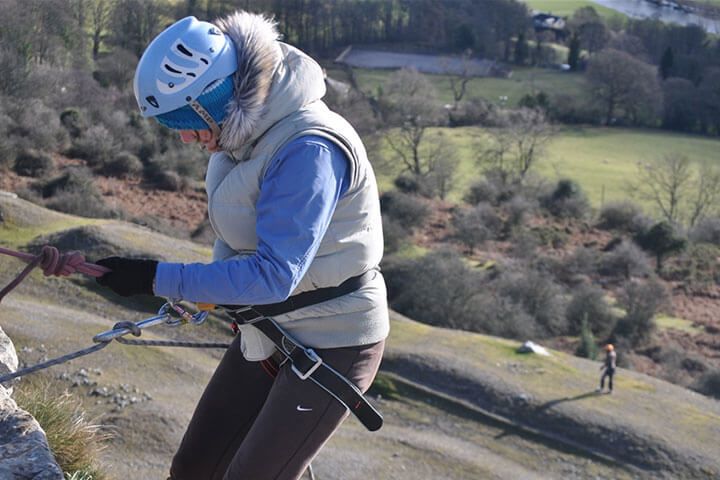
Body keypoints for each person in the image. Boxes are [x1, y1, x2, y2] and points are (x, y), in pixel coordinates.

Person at [94, 11, 388, 480]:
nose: (186, 137)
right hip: (271, 326)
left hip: (335, 338)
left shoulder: (308, 149)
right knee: (194, 468)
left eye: (187, 121)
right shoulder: (247, 134)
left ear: (216, 101)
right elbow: (243, 238)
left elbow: (273, 274)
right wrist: (203, 294)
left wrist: (156, 277)